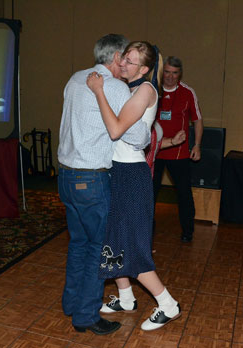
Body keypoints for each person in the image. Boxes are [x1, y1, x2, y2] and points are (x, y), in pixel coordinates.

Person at [57, 34, 151, 336]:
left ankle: (71, 303)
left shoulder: (74, 78)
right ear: (116, 57)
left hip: (66, 176)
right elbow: (137, 137)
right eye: (124, 57)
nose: (125, 63)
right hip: (92, 179)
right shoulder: (114, 86)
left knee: (79, 244)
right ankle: (85, 316)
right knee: (98, 250)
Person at [87, 41, 181, 331]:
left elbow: (115, 129)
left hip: (131, 176)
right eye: (124, 58)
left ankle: (168, 304)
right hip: (118, 172)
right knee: (113, 240)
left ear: (144, 68)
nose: (123, 63)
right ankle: (126, 298)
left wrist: (99, 91)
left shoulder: (145, 90)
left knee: (134, 248)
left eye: (130, 61)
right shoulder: (126, 88)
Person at [153, 56, 203, 243]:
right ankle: (147, 229)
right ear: (162, 72)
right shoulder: (152, 90)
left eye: (174, 73)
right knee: (150, 193)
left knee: (184, 194)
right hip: (155, 152)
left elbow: (197, 120)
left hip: (179, 153)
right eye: (167, 72)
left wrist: (197, 145)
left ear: (179, 74)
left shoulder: (187, 92)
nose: (170, 77)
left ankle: (187, 232)